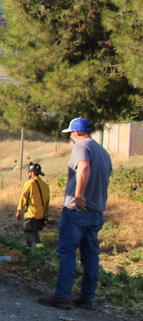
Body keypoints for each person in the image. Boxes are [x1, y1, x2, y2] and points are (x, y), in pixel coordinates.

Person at [38, 117, 113, 310]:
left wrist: (79, 195)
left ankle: (62, 295)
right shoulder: (103, 152)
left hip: (77, 208)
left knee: (67, 251)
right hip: (96, 210)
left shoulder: (81, 147)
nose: (71, 136)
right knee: (90, 255)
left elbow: (84, 167)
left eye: (71, 133)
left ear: (77, 133)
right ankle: (87, 298)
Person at [16, 162, 50, 248]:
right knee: (31, 236)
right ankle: (31, 255)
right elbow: (47, 202)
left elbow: (23, 198)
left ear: (33, 173)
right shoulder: (45, 186)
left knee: (29, 233)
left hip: (31, 215)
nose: (29, 174)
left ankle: (40, 249)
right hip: (41, 216)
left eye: (29, 172)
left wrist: (19, 211)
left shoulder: (30, 183)